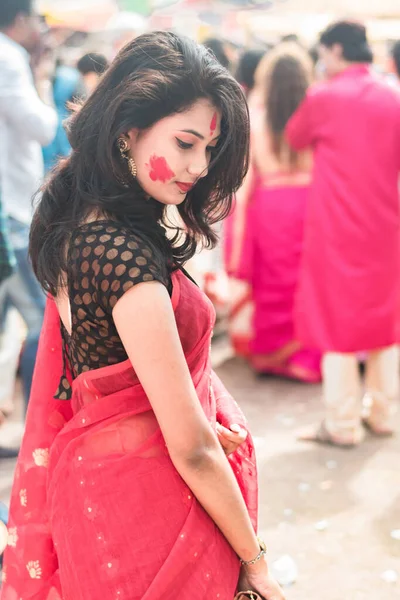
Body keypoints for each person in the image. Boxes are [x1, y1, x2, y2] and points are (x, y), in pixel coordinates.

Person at [2, 32, 285, 600]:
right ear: (128, 129)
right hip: (150, 516)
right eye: (185, 143)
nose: (199, 166)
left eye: (209, 149)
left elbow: (120, 381)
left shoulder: (76, 213)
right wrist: (256, 563)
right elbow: (193, 449)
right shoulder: (122, 260)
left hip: (110, 494)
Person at [286, 21, 400, 446]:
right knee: (386, 319)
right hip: (386, 225)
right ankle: (385, 413)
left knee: (337, 320)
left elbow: (295, 137)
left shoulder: (326, 96)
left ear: (335, 50)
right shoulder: (393, 94)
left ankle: (342, 423)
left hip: (337, 228)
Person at [225, 43, 321, 383]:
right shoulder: (317, 111)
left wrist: (238, 230)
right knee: (307, 284)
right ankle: (305, 359)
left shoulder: (257, 115)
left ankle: (270, 356)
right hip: (311, 206)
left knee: (272, 282)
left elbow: (246, 179)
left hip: (271, 209)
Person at [0, 0, 57, 407]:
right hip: (11, 212)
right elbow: (42, 127)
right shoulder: (9, 57)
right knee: (42, 317)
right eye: (37, 19)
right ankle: (36, 425)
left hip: (11, 208)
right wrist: (43, 80)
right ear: (20, 21)